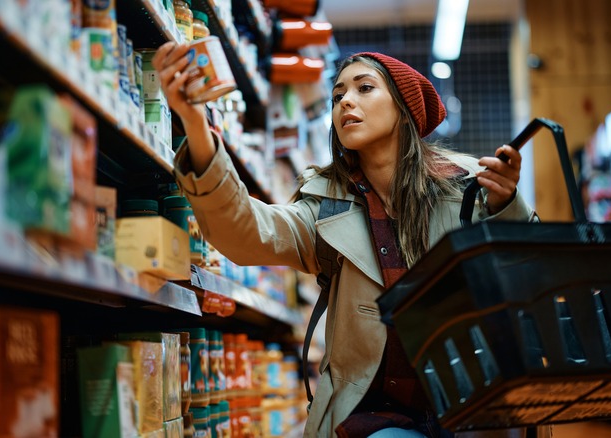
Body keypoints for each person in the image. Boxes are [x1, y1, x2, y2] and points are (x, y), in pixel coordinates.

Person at [153, 43, 542, 438]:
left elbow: (527, 274)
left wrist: (506, 204)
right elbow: (246, 231)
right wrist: (196, 124)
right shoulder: (325, 205)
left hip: (475, 401)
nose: (345, 102)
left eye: (364, 88)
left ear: (403, 107)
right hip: (377, 415)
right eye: (338, 95)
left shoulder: (470, 186)